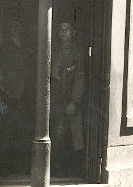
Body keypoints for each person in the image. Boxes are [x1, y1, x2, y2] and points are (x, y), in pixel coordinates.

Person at [51, 21, 85, 177]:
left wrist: (74, 101)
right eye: (61, 29)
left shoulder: (78, 51)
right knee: (58, 132)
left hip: (71, 98)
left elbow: (80, 77)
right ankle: (58, 167)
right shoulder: (55, 49)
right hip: (57, 97)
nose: (63, 32)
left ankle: (74, 169)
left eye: (67, 29)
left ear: (74, 32)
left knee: (74, 133)